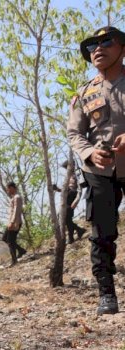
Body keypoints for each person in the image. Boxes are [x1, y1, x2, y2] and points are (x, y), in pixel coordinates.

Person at [67, 26, 125, 315]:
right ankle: (106, 294)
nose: (97, 49)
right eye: (91, 46)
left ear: (122, 48)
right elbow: (74, 134)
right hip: (99, 171)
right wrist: (90, 153)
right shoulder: (84, 92)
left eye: (106, 42)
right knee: (102, 232)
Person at [2, 182, 27, 265]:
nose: (7, 190)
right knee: (5, 238)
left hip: (15, 223)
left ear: (12, 188)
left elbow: (17, 211)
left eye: (8, 188)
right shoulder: (14, 198)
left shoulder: (17, 197)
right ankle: (21, 250)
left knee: (10, 241)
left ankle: (14, 260)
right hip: (12, 222)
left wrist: (12, 222)